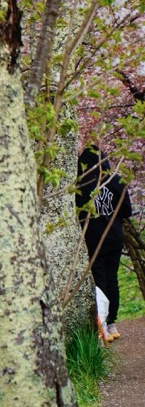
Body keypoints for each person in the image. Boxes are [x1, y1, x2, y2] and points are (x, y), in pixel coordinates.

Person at [77, 146, 134, 341]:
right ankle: (112, 325)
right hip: (114, 237)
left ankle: (102, 324)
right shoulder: (116, 180)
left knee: (99, 280)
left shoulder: (79, 185)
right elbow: (126, 211)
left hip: (92, 239)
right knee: (112, 278)